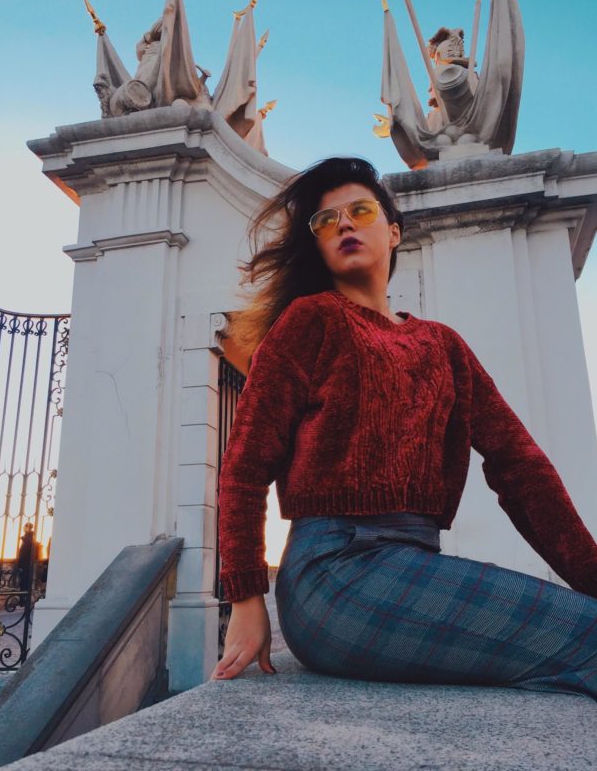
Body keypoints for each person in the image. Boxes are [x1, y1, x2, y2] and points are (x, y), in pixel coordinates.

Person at [210, 156, 597, 700]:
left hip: (412, 566)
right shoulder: (311, 320)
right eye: (326, 220)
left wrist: (591, 576)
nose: (344, 224)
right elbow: (245, 465)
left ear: (393, 232)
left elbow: (521, 467)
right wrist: (247, 598)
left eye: (361, 211)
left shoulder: (444, 346)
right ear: (318, 244)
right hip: (333, 576)